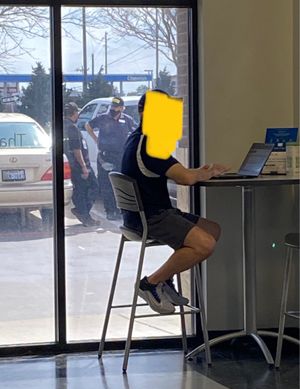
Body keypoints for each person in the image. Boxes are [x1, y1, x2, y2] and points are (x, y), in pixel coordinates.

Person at [121, 90, 229, 314]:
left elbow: (184, 172)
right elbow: (186, 178)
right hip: (151, 217)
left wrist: (204, 171)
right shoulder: (151, 145)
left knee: (213, 230)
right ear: (143, 112)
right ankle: (150, 284)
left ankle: (165, 279)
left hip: (146, 214)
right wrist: (202, 174)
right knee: (205, 244)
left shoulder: (137, 138)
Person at [85, 97, 136, 220]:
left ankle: (119, 210)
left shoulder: (127, 120)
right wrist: (96, 139)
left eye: (117, 107)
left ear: (122, 108)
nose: (114, 109)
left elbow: (136, 132)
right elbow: (88, 125)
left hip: (120, 157)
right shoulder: (103, 118)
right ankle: (109, 210)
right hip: (105, 156)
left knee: (119, 184)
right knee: (106, 185)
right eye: (113, 106)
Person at [63, 102, 99, 227]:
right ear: (74, 113)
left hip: (72, 165)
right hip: (79, 166)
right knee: (92, 188)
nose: (78, 114)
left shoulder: (63, 126)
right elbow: (76, 149)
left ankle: (83, 213)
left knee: (80, 191)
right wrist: (84, 166)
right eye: (77, 112)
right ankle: (84, 214)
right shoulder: (71, 128)